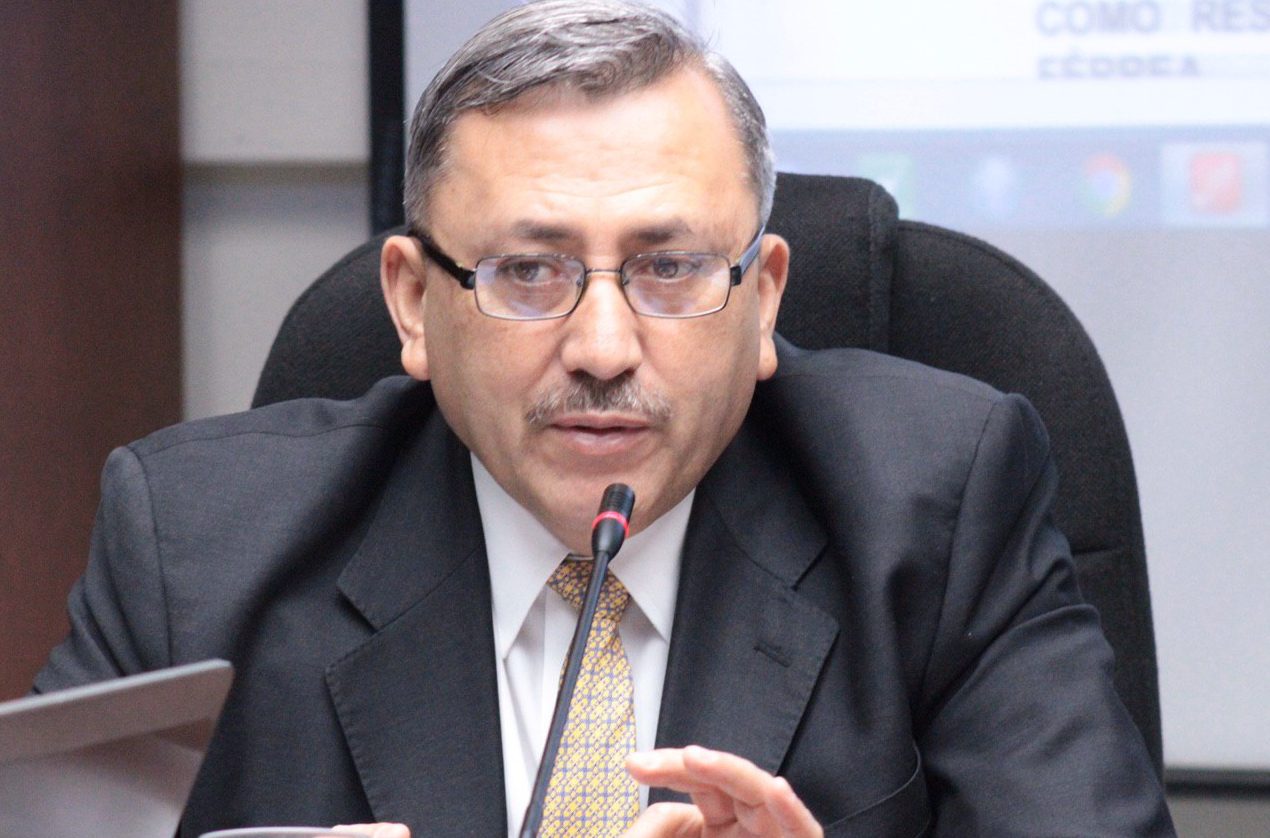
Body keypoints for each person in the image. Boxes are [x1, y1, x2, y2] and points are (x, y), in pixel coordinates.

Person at [35, 1, 1174, 836]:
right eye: (529, 272)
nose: (602, 348)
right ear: (415, 303)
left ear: (763, 298)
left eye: (670, 268)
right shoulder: (192, 550)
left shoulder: (939, 509)